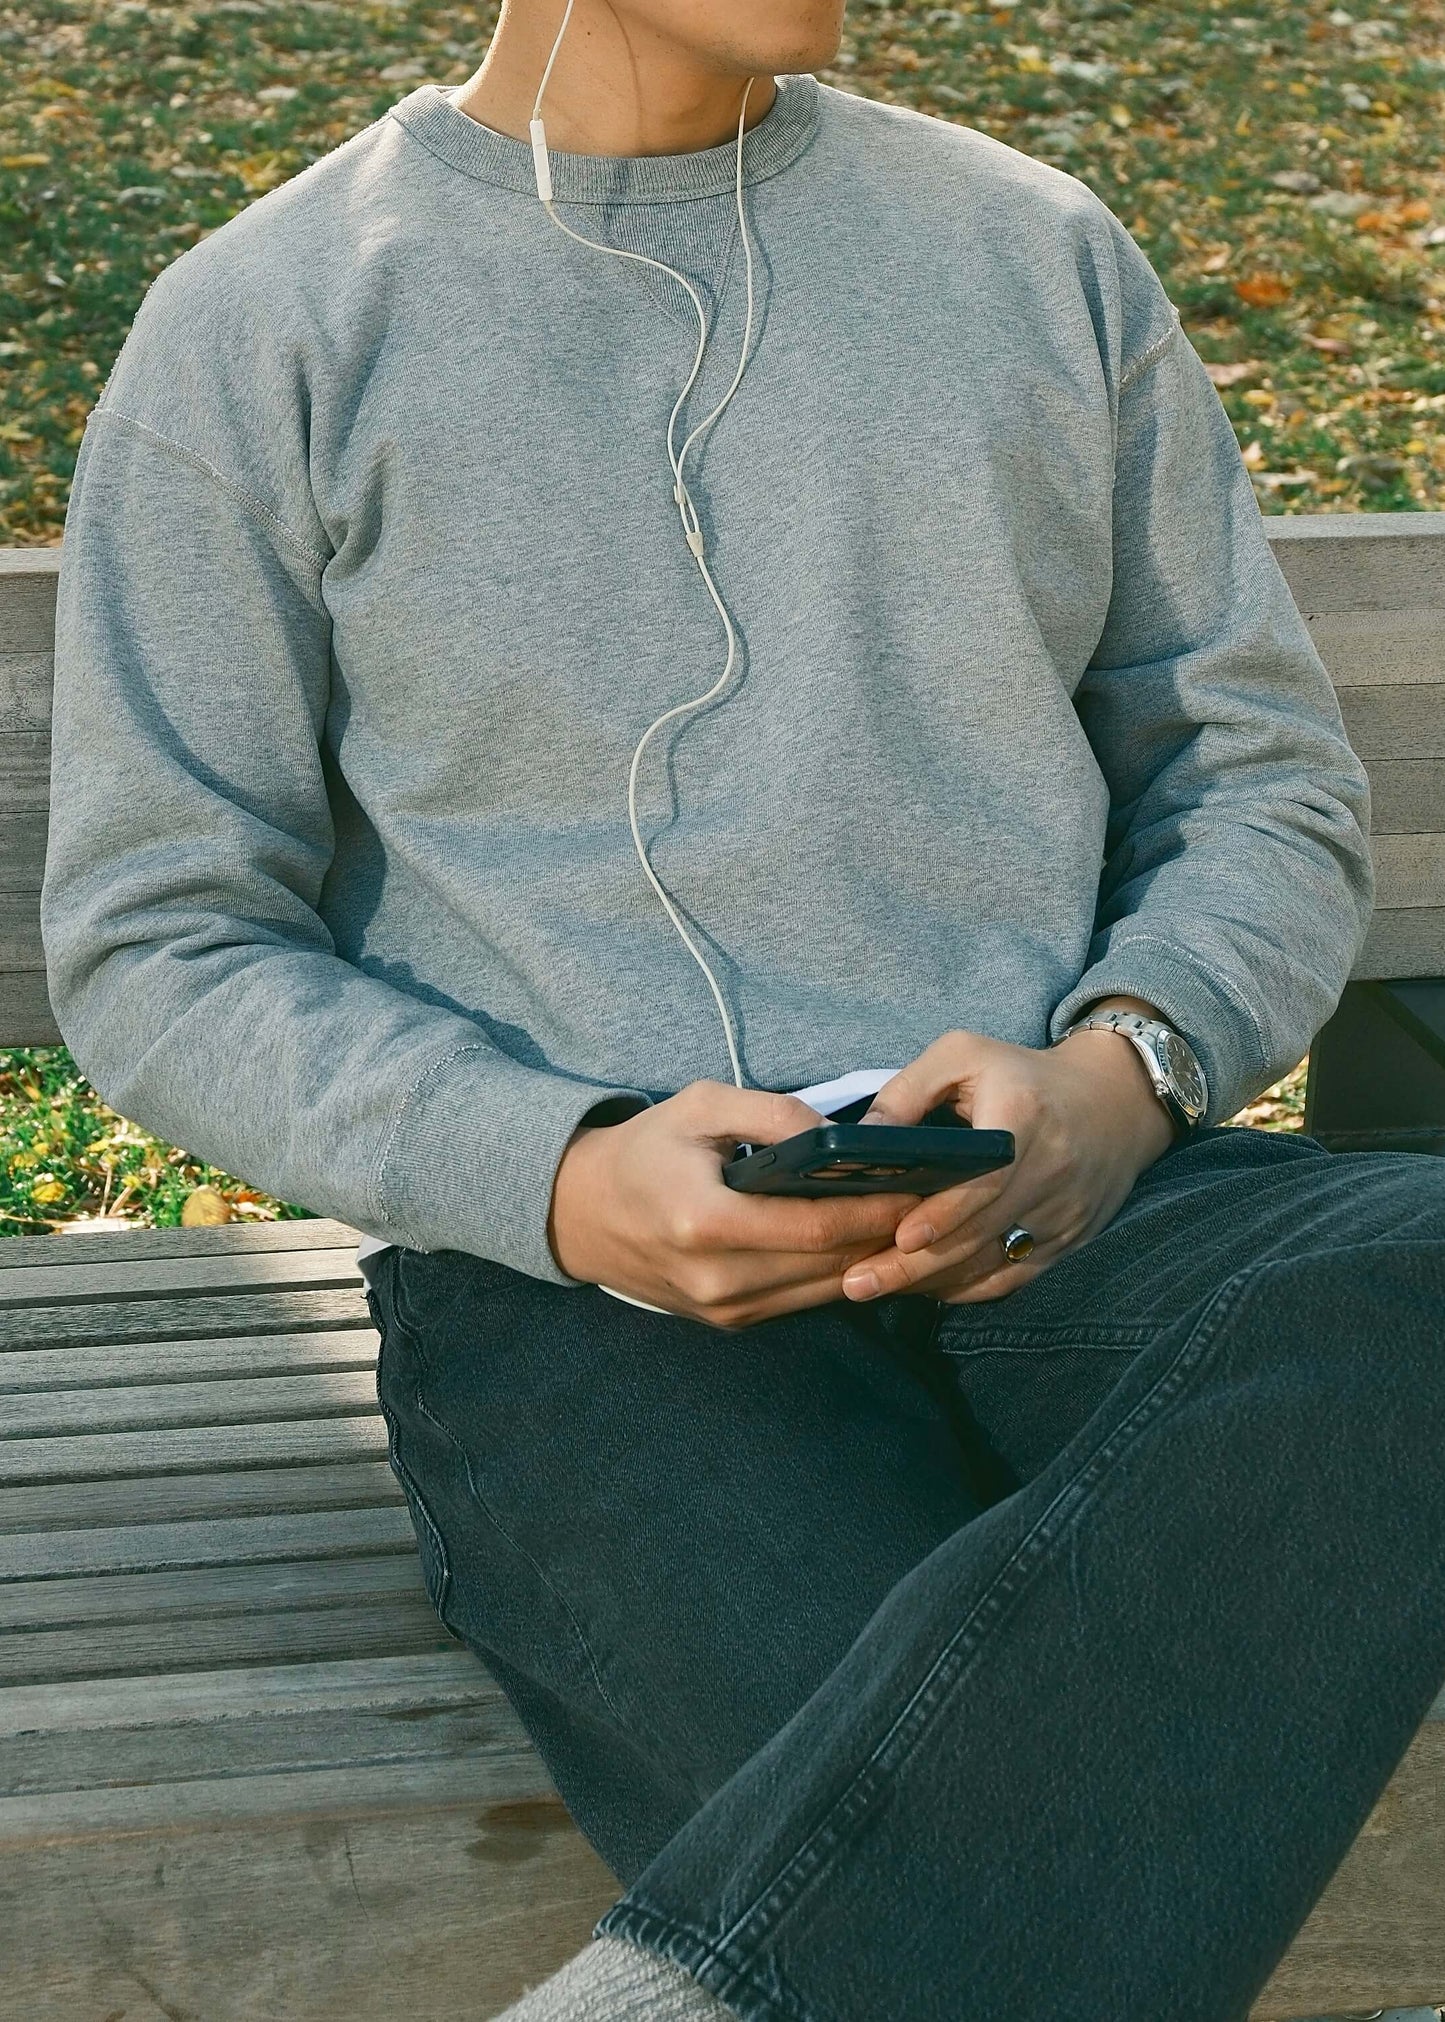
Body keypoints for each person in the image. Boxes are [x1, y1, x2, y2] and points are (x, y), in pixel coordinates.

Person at [39, 0, 1445, 2015]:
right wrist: (563, 1176)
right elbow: (160, 937)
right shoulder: (268, 325)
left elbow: (1261, 785)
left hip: (1080, 1213)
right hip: (583, 1312)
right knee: (950, 1829)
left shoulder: (1031, 251)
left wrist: (1117, 1079)